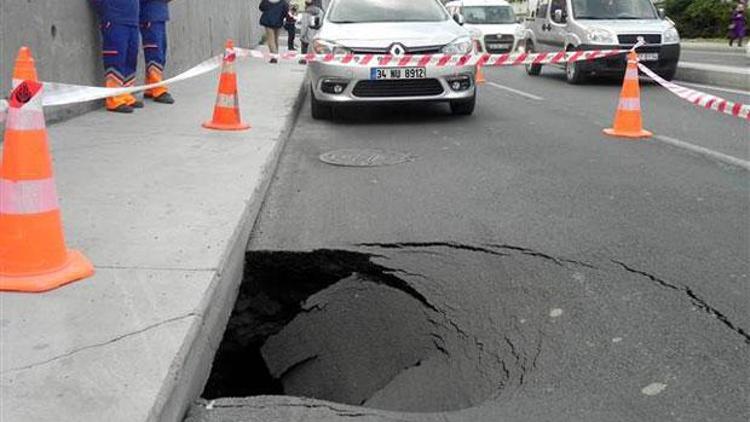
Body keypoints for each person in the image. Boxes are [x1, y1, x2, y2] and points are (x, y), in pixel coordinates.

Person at [90, 0, 143, 113]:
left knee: (130, 59)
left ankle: (126, 94)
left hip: (132, 19)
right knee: (115, 58)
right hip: (114, 19)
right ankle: (114, 99)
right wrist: (107, 10)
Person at [140, 0, 175, 104]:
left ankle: (151, 86)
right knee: (154, 50)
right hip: (149, 12)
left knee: (160, 50)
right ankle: (157, 88)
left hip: (159, 12)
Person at [299, 0, 324, 64]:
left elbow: (304, 25)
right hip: (317, 33)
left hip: (308, 33)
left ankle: (303, 59)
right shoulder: (321, 12)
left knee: (304, 45)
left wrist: (302, 35)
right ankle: (318, 59)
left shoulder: (306, 12)